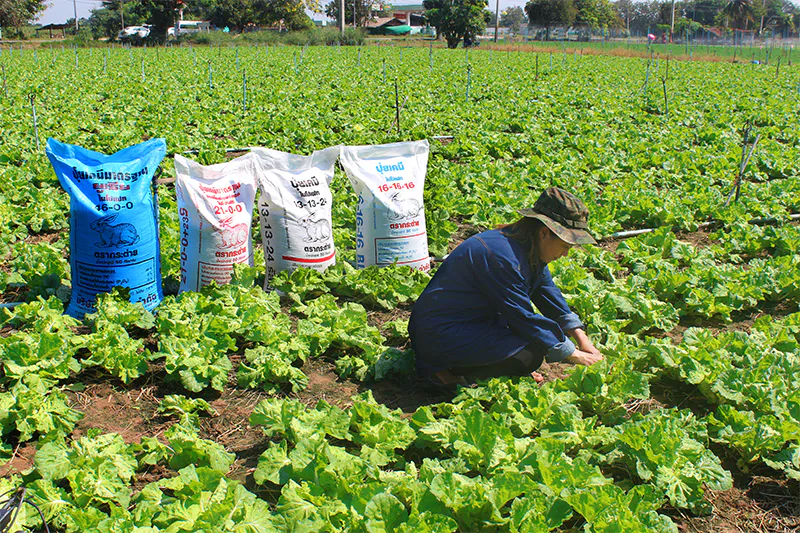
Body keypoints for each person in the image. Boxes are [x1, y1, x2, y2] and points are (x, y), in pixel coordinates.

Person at [408, 187, 604, 387]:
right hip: (440, 333)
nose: (565, 254)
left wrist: (581, 338)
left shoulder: (529, 248)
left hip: (471, 324)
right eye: (565, 246)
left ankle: (481, 366)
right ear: (545, 232)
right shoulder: (502, 257)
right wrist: (573, 354)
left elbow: (547, 293)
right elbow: (521, 316)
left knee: (531, 347)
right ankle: (443, 370)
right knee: (529, 355)